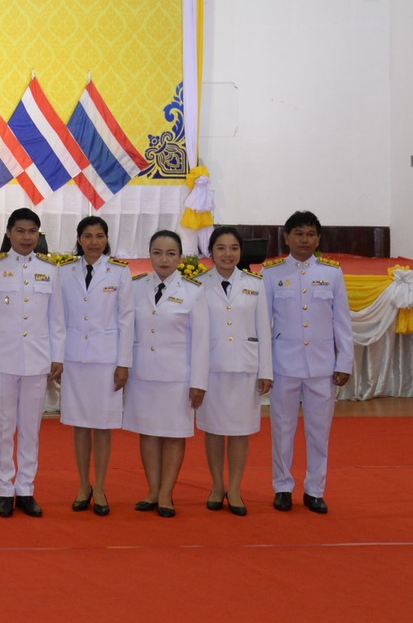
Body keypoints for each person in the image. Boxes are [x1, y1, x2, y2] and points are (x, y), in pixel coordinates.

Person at [0, 207, 67, 517]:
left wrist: (58, 356)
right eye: (21, 231)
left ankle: (26, 488)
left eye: (32, 231)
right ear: (9, 233)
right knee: (3, 426)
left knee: (31, 429)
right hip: (2, 360)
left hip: (38, 360)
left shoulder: (50, 270)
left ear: (39, 235)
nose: (26, 237)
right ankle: (4, 488)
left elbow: (57, 319)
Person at [263, 210, 354, 514]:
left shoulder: (331, 272)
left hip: (321, 366)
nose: (305, 240)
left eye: (311, 234)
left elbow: (342, 321)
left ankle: (315, 489)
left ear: (318, 239)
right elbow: (263, 324)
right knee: (282, 429)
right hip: (283, 365)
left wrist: (344, 362)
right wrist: (264, 367)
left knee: (319, 432)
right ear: (286, 237)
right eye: (299, 233)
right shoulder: (271, 272)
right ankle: (282, 487)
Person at [122, 229, 210, 517]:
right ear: (149, 254)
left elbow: (201, 341)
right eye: (158, 252)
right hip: (143, 374)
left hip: (177, 377)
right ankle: (151, 491)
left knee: (173, 434)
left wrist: (198, 382)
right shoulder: (134, 287)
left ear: (180, 257)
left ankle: (166, 495)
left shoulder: (194, 292)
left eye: (171, 253)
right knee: (148, 433)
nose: (164, 259)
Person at [54, 216, 131, 516]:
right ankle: (83, 485)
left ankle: (100, 487)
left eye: (99, 236)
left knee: (103, 427)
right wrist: (58, 358)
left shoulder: (119, 272)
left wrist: (124, 362)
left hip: (106, 360)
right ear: (79, 239)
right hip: (74, 358)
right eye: (88, 236)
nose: (94, 242)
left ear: (107, 238)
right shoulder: (65, 272)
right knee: (79, 425)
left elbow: (126, 319)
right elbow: (58, 319)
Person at [198, 226, 271, 516]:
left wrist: (266, 370)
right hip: (212, 369)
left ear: (241, 252)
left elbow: (264, 329)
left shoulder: (256, 284)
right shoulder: (199, 285)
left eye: (233, 248)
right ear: (211, 252)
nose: (228, 254)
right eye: (221, 248)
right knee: (214, 431)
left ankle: (236, 489)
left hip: (245, 368)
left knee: (241, 432)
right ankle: (217, 486)